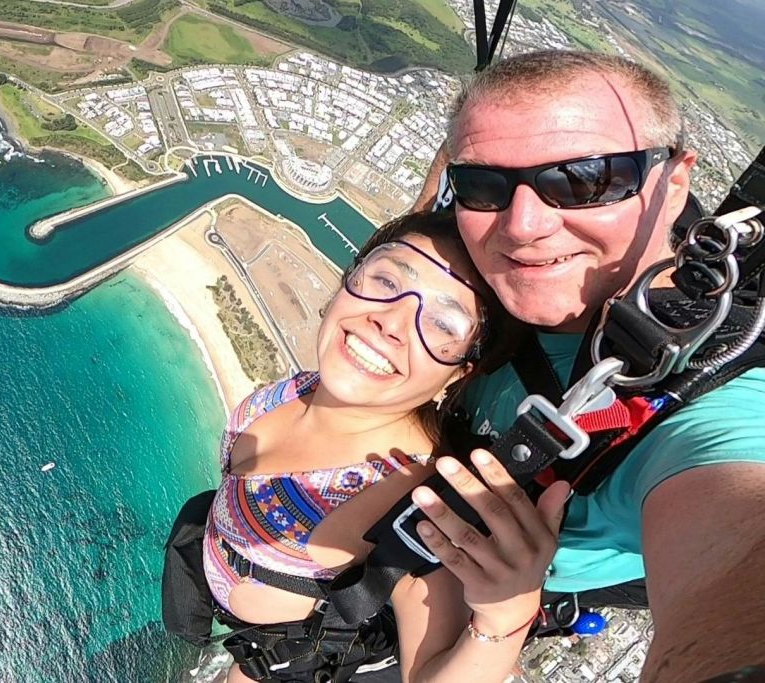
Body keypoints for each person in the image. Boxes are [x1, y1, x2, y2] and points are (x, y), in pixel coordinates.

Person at [403, 50, 765, 682]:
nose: (523, 226)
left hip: (499, 597)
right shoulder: (467, 257)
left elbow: (736, 532)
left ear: (674, 183)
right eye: (485, 186)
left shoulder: (715, 398)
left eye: (584, 180)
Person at [198, 211, 574, 682]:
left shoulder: (416, 505)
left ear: (462, 370)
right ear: (350, 277)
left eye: (442, 323)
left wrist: (506, 615)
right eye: (386, 278)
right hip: (235, 632)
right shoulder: (299, 391)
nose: (390, 321)